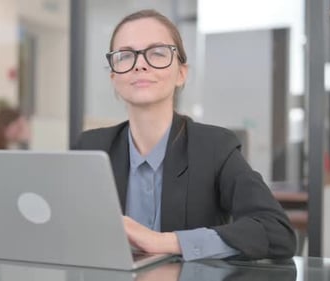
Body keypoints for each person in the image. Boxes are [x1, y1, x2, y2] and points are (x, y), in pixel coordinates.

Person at [75, 9, 296, 261]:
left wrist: (165, 242)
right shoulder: (91, 148)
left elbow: (277, 232)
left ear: (181, 73)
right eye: (125, 56)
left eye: (157, 52)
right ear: (114, 76)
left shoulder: (214, 147)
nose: (140, 64)